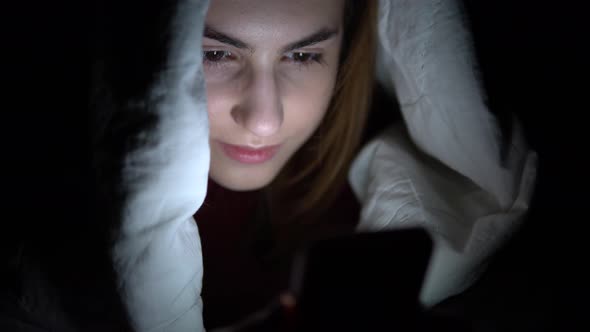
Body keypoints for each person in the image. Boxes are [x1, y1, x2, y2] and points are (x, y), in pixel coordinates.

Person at [1, 0, 537, 331]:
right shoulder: (43, 237)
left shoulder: (390, 213)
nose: (263, 118)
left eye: (302, 56)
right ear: (145, 60)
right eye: (216, 54)